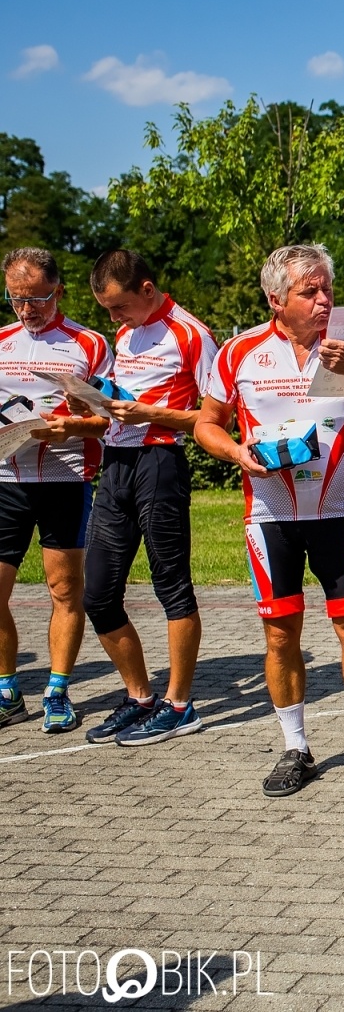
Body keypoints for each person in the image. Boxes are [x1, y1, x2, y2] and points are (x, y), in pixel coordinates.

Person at [194, 244, 344, 801]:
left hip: (338, 515)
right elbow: (205, 425)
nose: (322, 300)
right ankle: (296, 748)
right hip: (269, 517)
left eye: (325, 290)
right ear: (275, 299)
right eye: (308, 292)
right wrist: (237, 453)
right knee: (280, 635)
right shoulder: (239, 352)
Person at [80, 250, 218, 746]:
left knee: (171, 586)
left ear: (146, 289)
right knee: (96, 592)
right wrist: (93, 403)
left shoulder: (190, 333)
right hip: (115, 464)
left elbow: (216, 415)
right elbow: (122, 400)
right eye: (107, 311)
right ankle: (140, 697)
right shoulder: (125, 334)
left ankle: (180, 705)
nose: (114, 319)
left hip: (160, 464)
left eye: (119, 307)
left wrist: (151, 414)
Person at [0, 248, 110, 734]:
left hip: (65, 478)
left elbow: (108, 420)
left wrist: (71, 428)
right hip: (6, 479)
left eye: (38, 299)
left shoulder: (88, 344)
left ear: (59, 290)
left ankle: (57, 690)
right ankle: (7, 691)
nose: (27, 310)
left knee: (65, 589)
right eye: (16, 300)